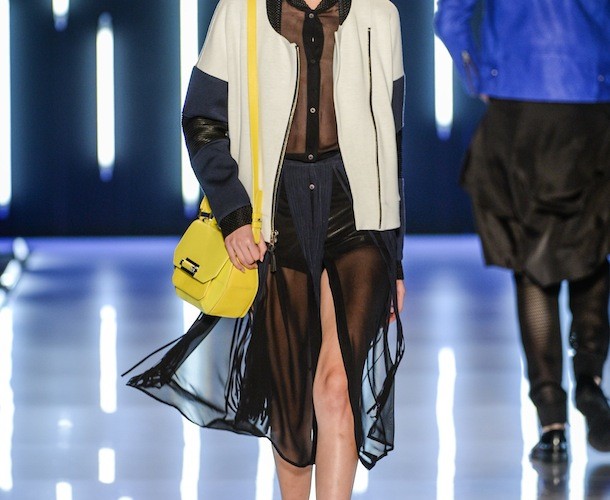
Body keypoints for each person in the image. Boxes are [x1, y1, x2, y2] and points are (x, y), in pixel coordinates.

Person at [126, 0, 406, 497]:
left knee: (336, 388)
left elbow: (392, 141)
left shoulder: (379, 14)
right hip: (276, 219)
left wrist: (395, 260)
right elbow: (201, 119)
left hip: (358, 216)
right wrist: (234, 214)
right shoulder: (241, 11)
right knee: (290, 408)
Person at [434, 0, 610, 463]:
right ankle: (590, 379)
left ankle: (552, 423)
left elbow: (449, 17)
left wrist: (481, 77)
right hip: (591, 96)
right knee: (593, 241)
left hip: (517, 102)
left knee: (531, 263)